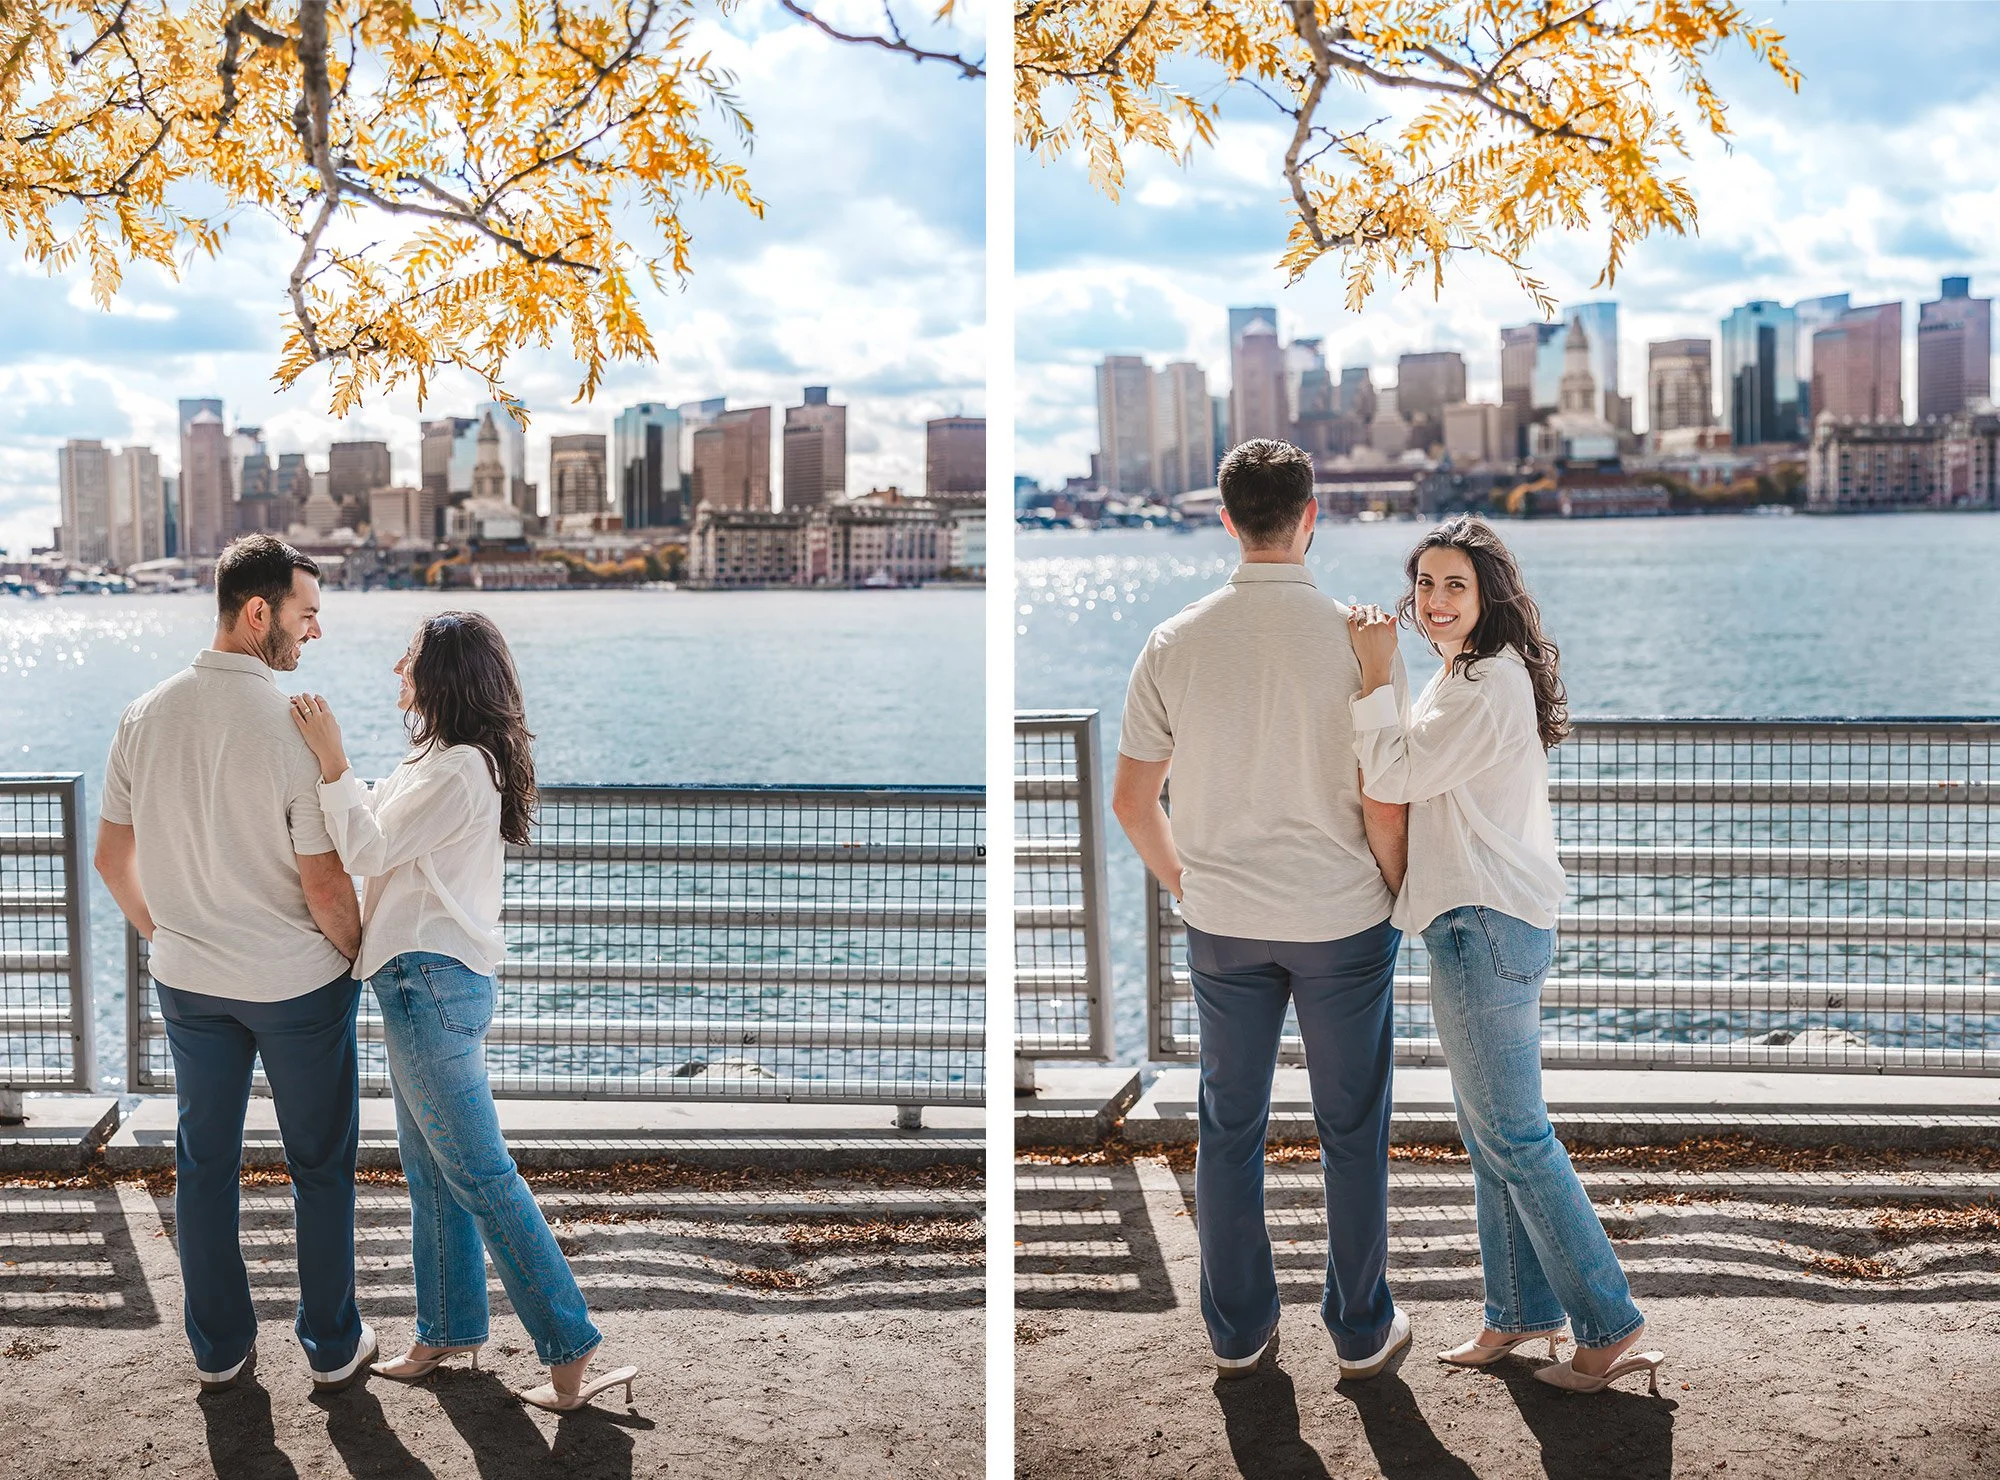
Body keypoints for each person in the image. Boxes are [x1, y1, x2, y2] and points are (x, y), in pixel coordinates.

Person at [1111, 439, 1414, 1382]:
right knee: (1351, 1131)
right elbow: (1386, 797)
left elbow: (1132, 801)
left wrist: (1187, 885)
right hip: (1343, 918)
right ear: (1311, 516)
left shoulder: (1174, 640)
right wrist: (1395, 895)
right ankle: (1360, 1332)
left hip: (1225, 920)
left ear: (1227, 520)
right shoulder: (1363, 639)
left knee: (1229, 1126)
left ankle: (1238, 1331)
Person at [288, 610, 638, 1412]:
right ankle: (445, 1329)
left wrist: (332, 758)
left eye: (408, 658)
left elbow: (367, 849)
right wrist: (330, 777)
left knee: (480, 1174)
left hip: (429, 984)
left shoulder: (459, 771)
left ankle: (571, 1346)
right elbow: (371, 824)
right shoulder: (439, 760)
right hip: (424, 984)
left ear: (442, 674)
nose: (396, 670)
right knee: (436, 1174)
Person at [1347, 514, 1665, 1395]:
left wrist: (1373, 673)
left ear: (1489, 595)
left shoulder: (1483, 683)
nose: (1435, 599)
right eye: (1425, 584)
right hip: (1485, 920)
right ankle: (1519, 1310)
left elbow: (1393, 777)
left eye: (1455, 584)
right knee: (1492, 1136)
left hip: (1480, 922)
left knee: (1516, 1135)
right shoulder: (1469, 675)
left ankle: (1610, 1325)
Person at [94, 534, 375, 1394]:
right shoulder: (293, 729)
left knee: (204, 1163)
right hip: (296, 986)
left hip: (191, 981)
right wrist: (361, 956)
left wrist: (165, 934)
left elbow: (110, 858)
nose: (316, 631)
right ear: (259, 612)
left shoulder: (142, 715)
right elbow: (324, 885)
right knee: (319, 1165)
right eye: (307, 613)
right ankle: (330, 1346)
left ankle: (218, 1351)